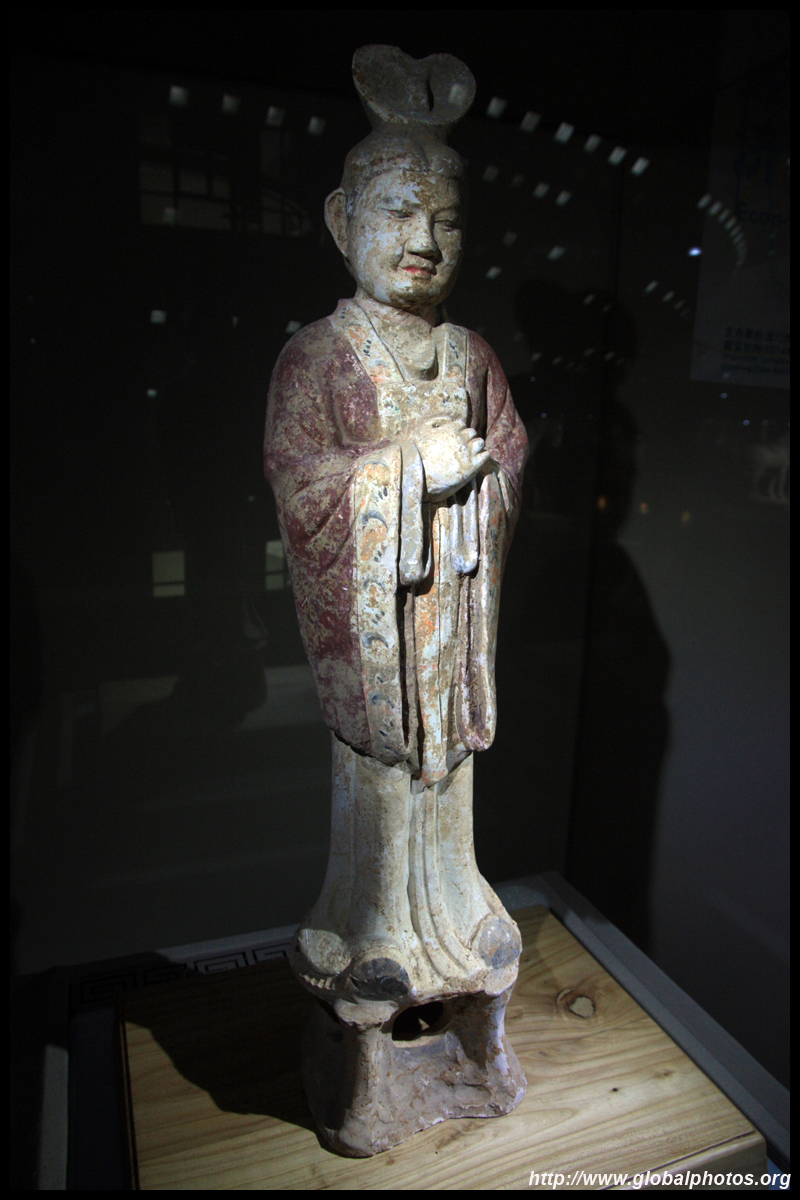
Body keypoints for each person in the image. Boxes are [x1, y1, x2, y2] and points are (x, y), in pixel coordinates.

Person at [264, 47, 528, 1006]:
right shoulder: (317, 356)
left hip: (449, 612)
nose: (425, 238)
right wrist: (408, 467)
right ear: (345, 222)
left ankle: (456, 903)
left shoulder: (473, 354)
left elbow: (510, 452)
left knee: (448, 760)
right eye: (400, 213)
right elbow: (298, 484)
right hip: (379, 633)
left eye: (447, 220)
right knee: (379, 770)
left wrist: (480, 477)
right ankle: (368, 917)